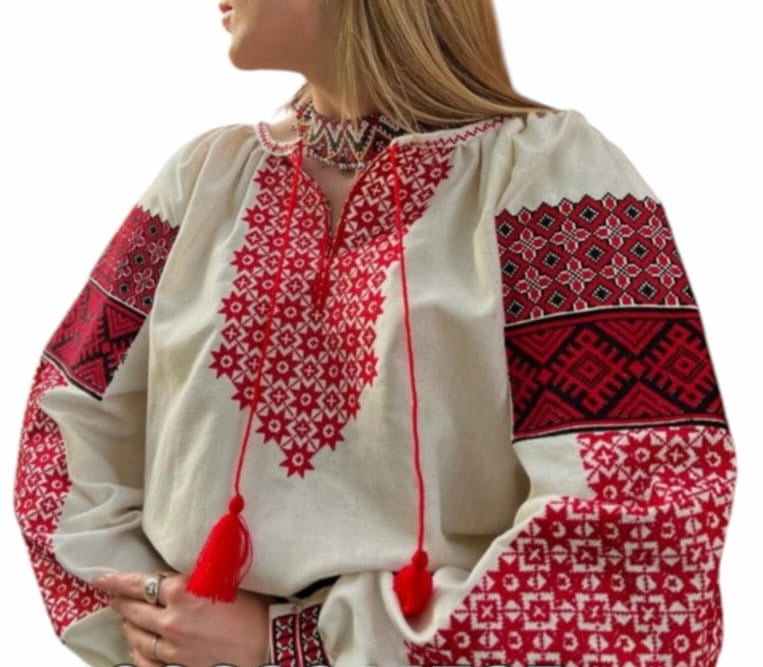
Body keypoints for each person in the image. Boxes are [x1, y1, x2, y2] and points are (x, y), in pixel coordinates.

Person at [12, 0, 737, 666]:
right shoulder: (202, 180)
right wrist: (158, 622)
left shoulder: (554, 179)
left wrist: (292, 643)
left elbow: (645, 539)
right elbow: (64, 427)